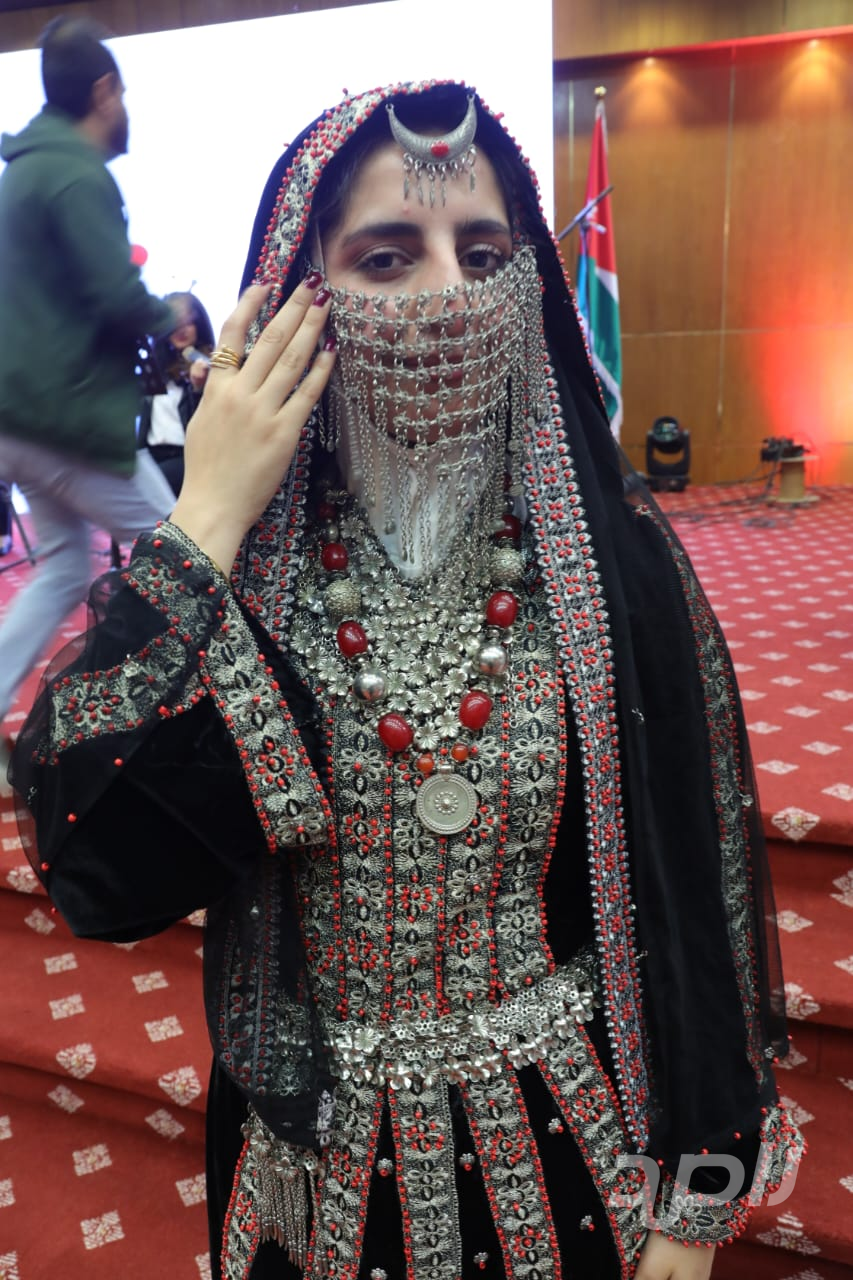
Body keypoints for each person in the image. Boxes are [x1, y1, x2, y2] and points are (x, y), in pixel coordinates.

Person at [11, 82, 804, 1280]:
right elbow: (99, 866)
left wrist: (694, 1205)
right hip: (310, 1185)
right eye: (386, 257)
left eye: (482, 254)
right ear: (299, 298)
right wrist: (209, 512)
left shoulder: (605, 564)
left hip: (571, 1157)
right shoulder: (255, 571)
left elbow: (695, 890)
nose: (447, 294)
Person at [0, 17, 178, 734]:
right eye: (122, 94)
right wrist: (171, 318)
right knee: (183, 553)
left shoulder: (25, 171)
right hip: (64, 417)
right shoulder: (77, 175)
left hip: (21, 416)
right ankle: (181, 717)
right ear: (104, 91)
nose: (124, 107)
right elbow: (115, 295)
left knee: (67, 569)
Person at [137, 291, 215, 496]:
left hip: (187, 458)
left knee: (144, 490)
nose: (181, 330)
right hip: (151, 456)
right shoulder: (156, 369)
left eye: (188, 322)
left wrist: (198, 389)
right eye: (174, 324)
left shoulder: (209, 362)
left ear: (199, 324)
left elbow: (209, 426)